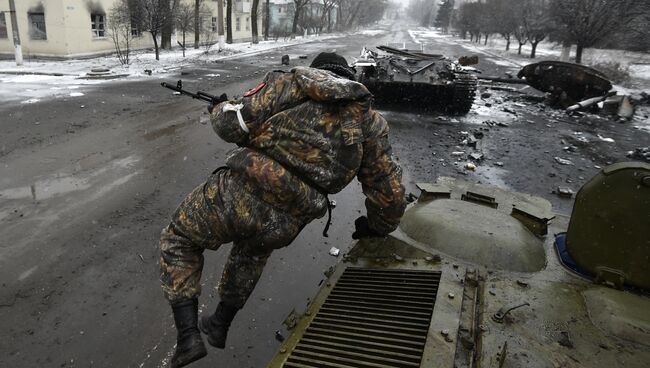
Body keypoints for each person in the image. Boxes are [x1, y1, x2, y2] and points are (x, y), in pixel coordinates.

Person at [159, 52, 406, 367]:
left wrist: (220, 108)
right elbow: (389, 189)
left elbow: (230, 126)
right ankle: (219, 324)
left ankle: (188, 337)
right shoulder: (369, 122)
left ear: (317, 72)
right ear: (348, 78)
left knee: (179, 238)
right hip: (289, 218)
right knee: (251, 253)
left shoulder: (290, 85)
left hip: (242, 191)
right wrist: (378, 226)